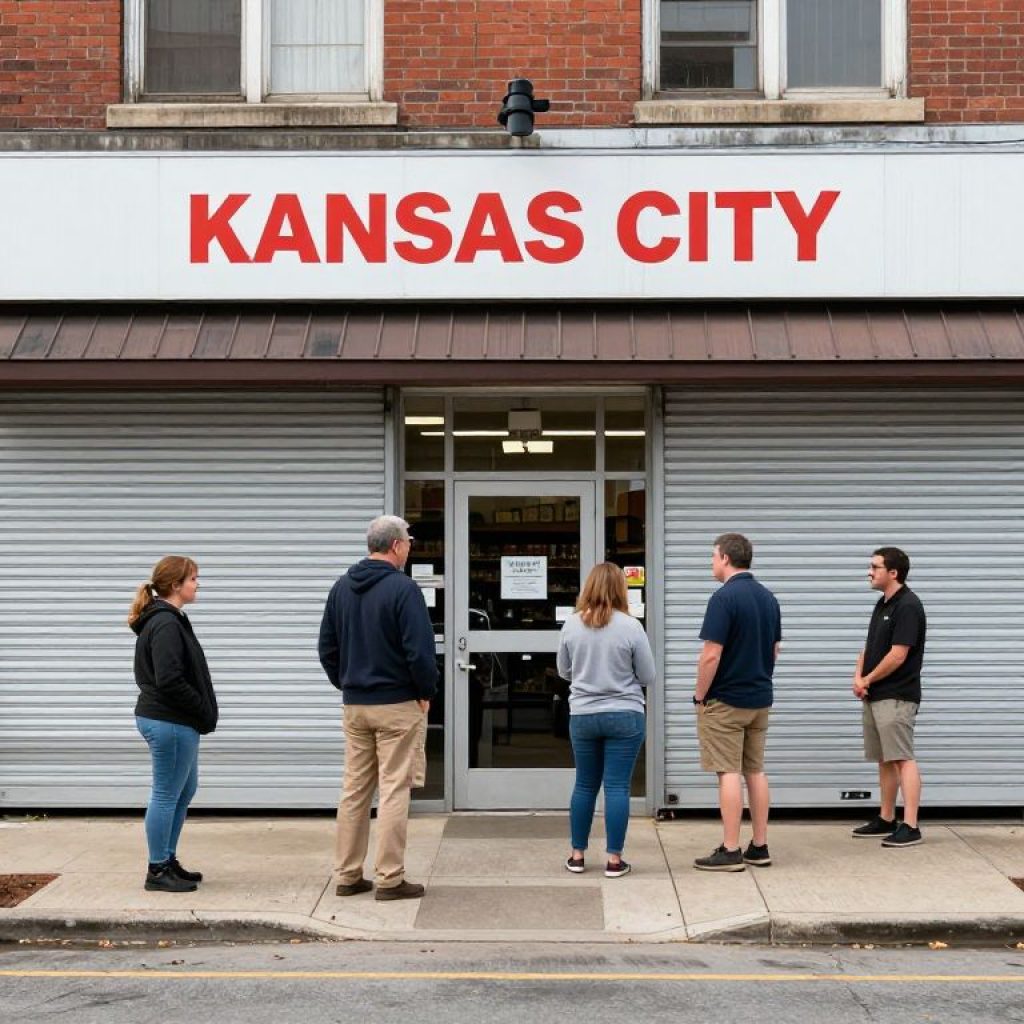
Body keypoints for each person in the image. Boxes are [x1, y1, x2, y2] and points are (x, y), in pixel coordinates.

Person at [318, 515, 438, 901]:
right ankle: (389, 878)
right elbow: (419, 651)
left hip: (356, 705)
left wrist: (348, 682)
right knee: (393, 790)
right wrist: (425, 691)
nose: (409, 549)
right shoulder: (404, 590)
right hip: (397, 704)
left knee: (354, 790)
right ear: (396, 546)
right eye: (408, 543)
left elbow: (327, 648)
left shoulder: (341, 588)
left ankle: (348, 875)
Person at [557, 562, 655, 879]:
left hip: (584, 715)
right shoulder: (631, 626)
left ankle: (577, 856)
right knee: (616, 786)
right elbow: (647, 675)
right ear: (620, 589)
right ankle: (614, 860)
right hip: (625, 715)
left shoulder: (572, 625)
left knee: (585, 784)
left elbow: (563, 670)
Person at [128, 556, 218, 893]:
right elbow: (169, 680)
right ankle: (157, 869)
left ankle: (167, 858)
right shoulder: (165, 623)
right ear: (175, 585)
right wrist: (200, 710)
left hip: (173, 720)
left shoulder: (169, 619)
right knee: (166, 794)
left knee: (183, 790)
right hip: (169, 720)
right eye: (193, 579)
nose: (198, 584)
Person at [693, 533, 781, 872]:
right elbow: (774, 649)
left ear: (726, 558)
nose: (712, 562)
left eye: (713, 556)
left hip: (726, 699)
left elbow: (711, 655)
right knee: (755, 771)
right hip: (759, 697)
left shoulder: (723, 598)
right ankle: (759, 846)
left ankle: (730, 849)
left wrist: (700, 695)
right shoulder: (768, 598)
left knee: (728, 771)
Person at [851, 547, 927, 848]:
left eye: (875, 567)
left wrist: (868, 679)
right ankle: (886, 818)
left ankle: (911, 825)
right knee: (884, 759)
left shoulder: (908, 606)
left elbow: (898, 655)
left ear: (893, 572)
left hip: (897, 695)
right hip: (875, 694)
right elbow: (869, 648)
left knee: (902, 758)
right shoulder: (882, 605)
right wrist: (858, 677)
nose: (870, 572)